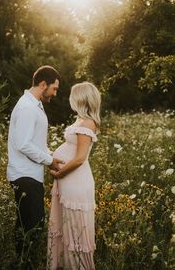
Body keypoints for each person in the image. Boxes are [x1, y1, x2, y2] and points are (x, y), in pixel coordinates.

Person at [7, 65, 64, 268]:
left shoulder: (35, 105)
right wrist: (49, 161)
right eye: (54, 88)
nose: (55, 93)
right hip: (25, 176)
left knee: (28, 226)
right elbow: (23, 144)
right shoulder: (26, 108)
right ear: (43, 84)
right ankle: (25, 264)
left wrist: (51, 154)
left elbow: (34, 143)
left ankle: (22, 262)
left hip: (30, 175)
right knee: (32, 228)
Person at [47, 81, 101, 270]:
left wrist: (59, 173)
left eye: (72, 96)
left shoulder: (88, 123)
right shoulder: (80, 120)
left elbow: (79, 159)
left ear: (80, 98)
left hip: (75, 181)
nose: (70, 99)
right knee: (65, 227)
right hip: (67, 181)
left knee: (75, 229)